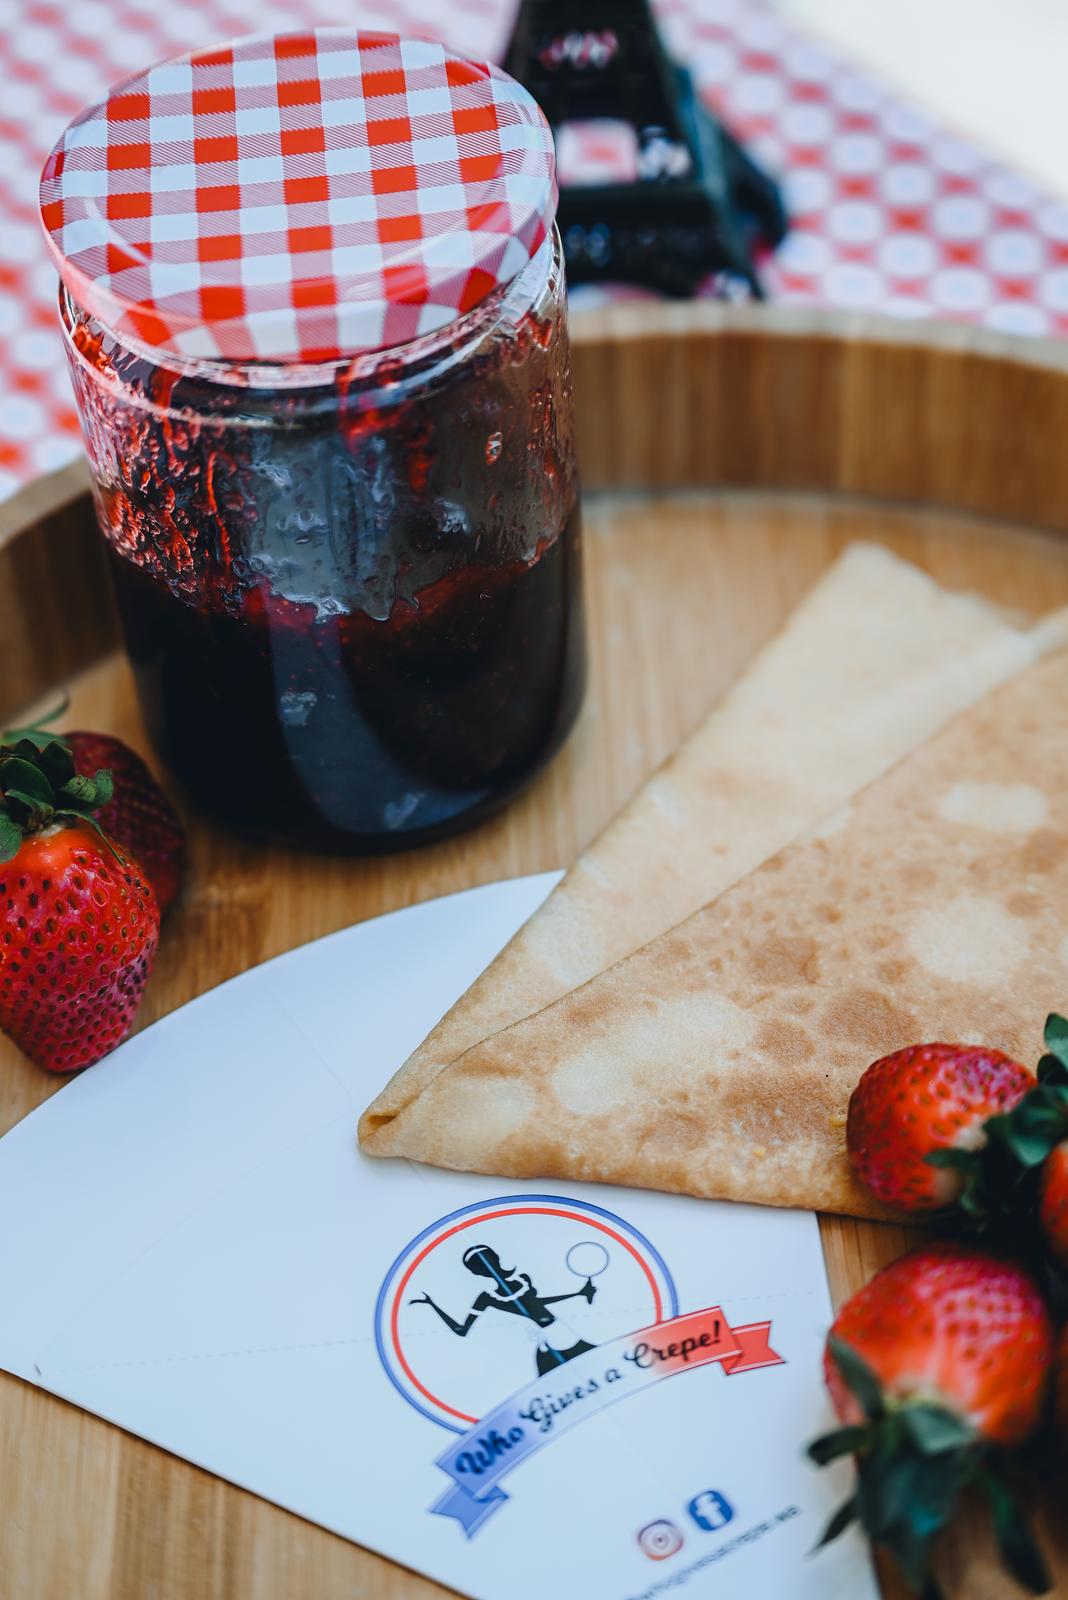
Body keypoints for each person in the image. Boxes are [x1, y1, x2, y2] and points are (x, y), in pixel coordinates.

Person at [411, 1243, 599, 1375]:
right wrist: (432, 1305)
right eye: (480, 1266)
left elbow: (537, 1303)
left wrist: (578, 1294)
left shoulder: (522, 1279)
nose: (488, 1267)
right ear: (477, 1272)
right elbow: (462, 1330)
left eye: (488, 1260)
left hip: (565, 1334)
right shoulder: (486, 1298)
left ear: (496, 1258)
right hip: (547, 1347)